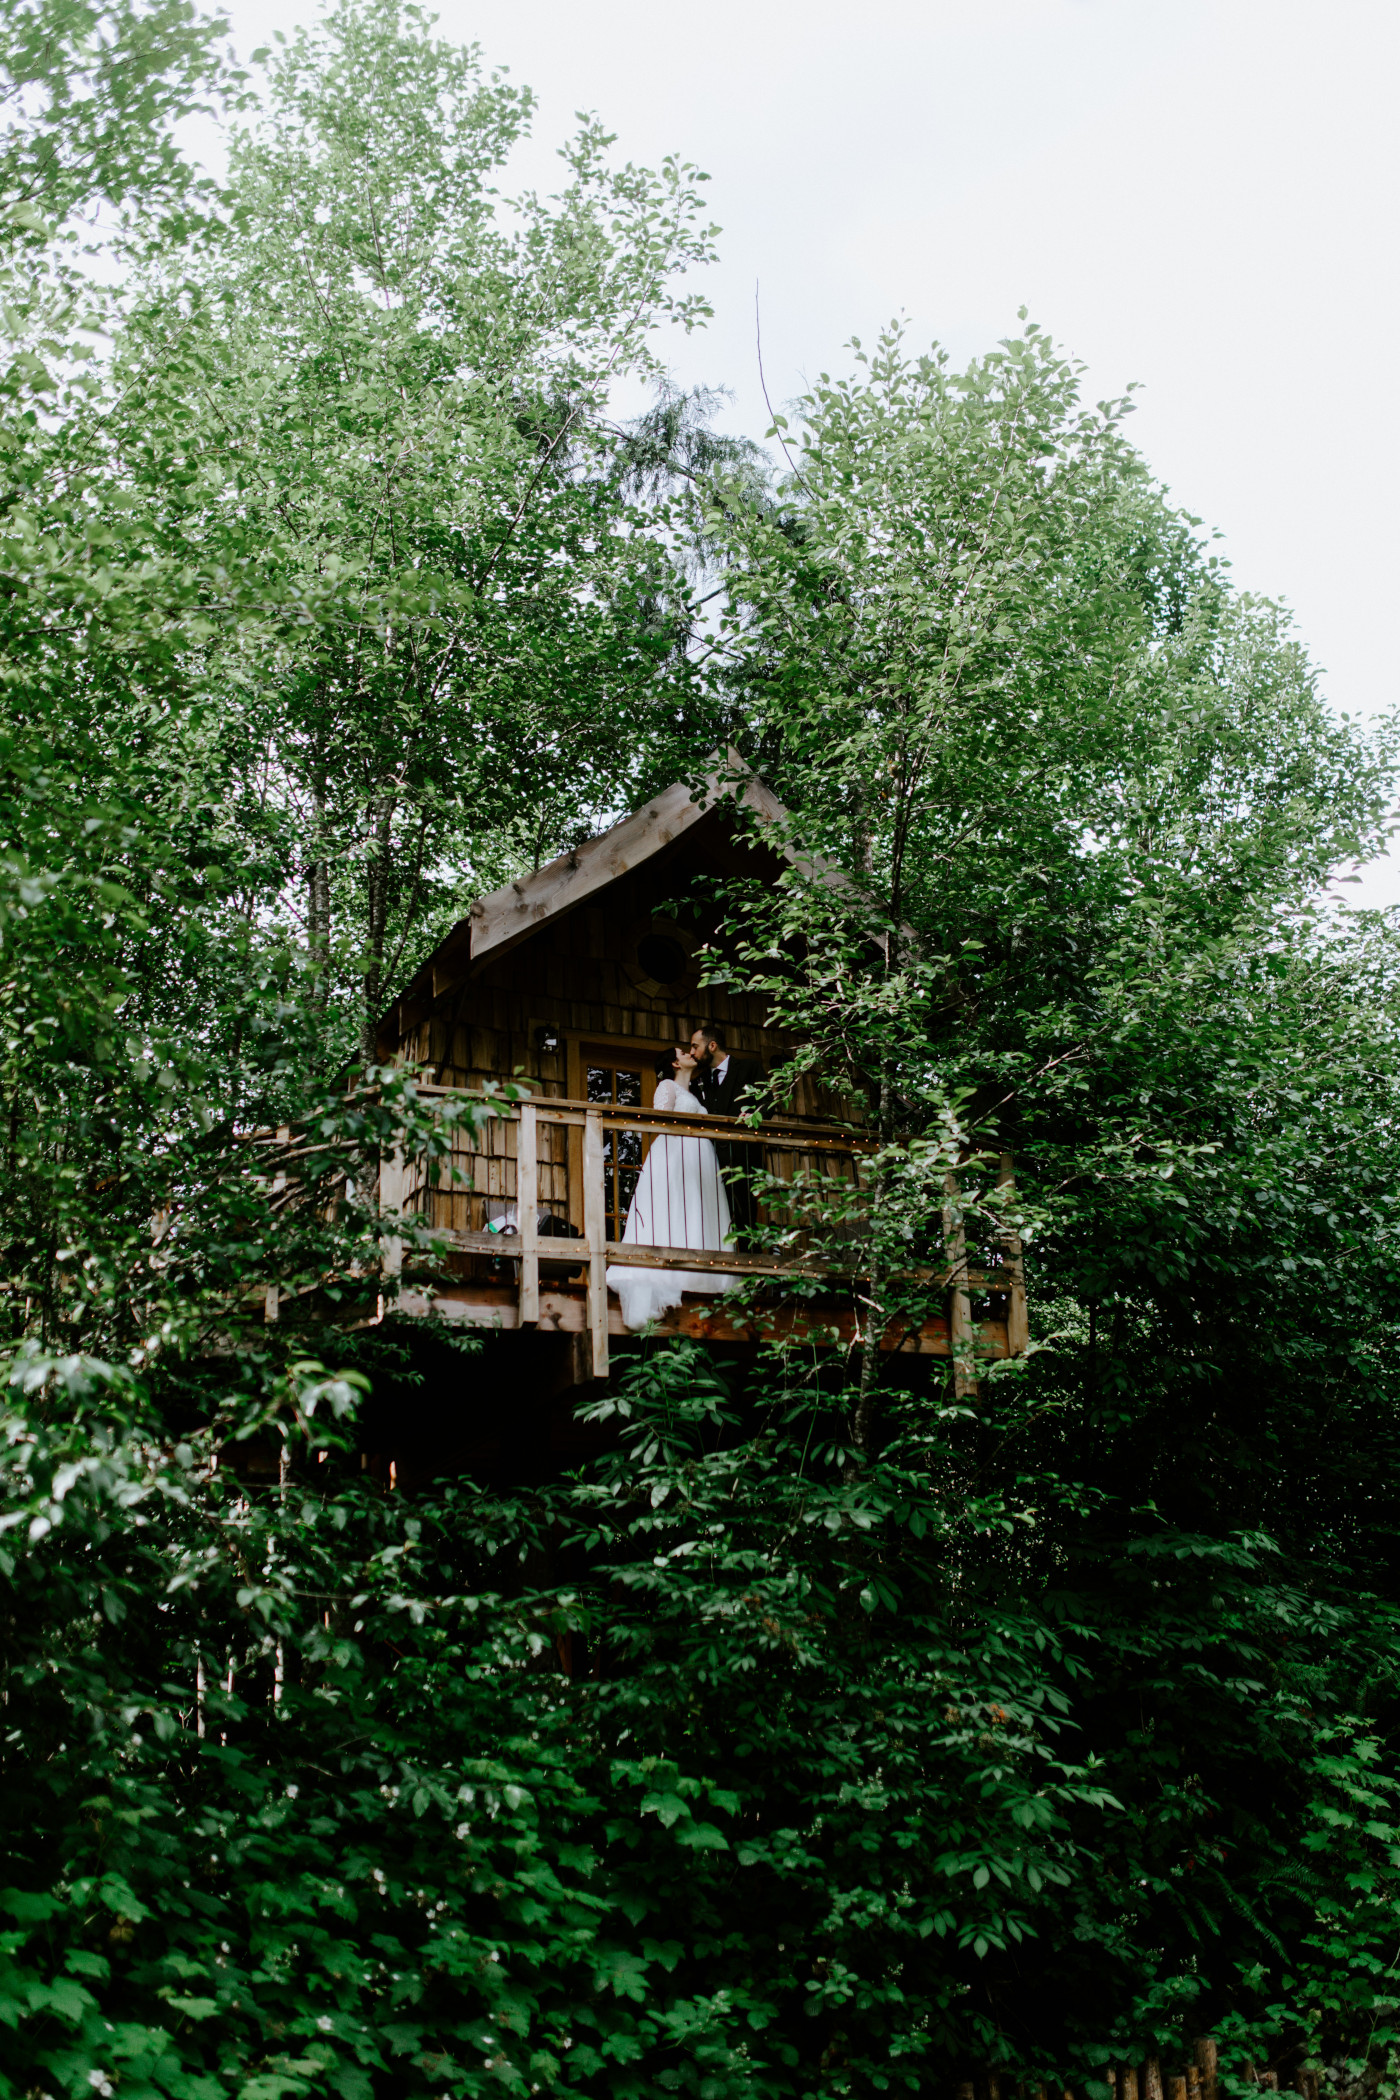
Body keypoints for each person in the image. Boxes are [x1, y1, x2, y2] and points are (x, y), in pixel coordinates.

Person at [604, 1046, 741, 1332]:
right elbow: (660, 1118)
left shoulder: (695, 1094)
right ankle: (671, 1276)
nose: (690, 1054)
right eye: (683, 1052)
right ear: (674, 1063)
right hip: (676, 1155)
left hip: (700, 1162)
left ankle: (700, 1276)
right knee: (674, 1207)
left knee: (697, 1212)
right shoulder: (667, 1086)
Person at [688, 1023, 765, 1235]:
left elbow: (768, 1100)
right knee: (713, 1222)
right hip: (709, 1162)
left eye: (695, 1046)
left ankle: (753, 1265)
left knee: (746, 1219)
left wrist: (754, 1115)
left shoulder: (749, 1068)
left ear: (712, 1045)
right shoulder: (698, 1082)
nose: (692, 1052)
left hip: (743, 1158)